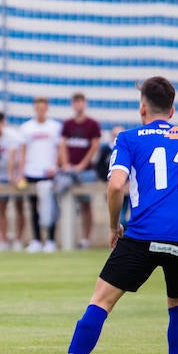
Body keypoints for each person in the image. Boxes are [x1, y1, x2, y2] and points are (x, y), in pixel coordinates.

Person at [33, 76, 178, 354]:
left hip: (143, 234)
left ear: (142, 108)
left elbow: (114, 186)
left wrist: (113, 226)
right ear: (173, 109)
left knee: (100, 301)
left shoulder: (128, 138)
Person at [58, 93, 102, 249]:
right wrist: (65, 164)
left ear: (85, 104)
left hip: (86, 172)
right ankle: (69, 239)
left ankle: (85, 239)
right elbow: (62, 144)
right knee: (67, 204)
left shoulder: (92, 124)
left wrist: (82, 165)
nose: (78, 105)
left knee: (86, 205)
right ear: (72, 104)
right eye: (75, 102)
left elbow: (94, 146)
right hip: (69, 171)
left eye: (80, 102)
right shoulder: (67, 124)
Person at [18, 97, 62, 253]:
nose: (41, 111)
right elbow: (23, 151)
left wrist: (55, 166)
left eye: (43, 108)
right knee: (33, 207)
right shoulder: (26, 127)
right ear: (35, 108)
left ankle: (50, 240)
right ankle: (36, 239)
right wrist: (21, 172)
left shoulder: (55, 127)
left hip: (48, 172)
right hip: (31, 172)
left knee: (50, 208)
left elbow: (59, 149)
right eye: (38, 108)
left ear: (47, 108)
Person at [0, 112, 25, 252]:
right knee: (1, 208)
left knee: (19, 207)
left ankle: (18, 240)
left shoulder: (11, 136)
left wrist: (15, 175)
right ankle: (3, 240)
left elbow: (14, 155)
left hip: (15, 177)